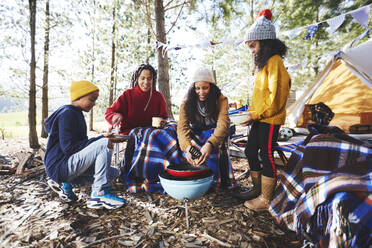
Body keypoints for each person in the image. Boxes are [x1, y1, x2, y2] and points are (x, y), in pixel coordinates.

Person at [238, 9, 291, 211]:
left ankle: (266, 200)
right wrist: (251, 114)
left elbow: (276, 98)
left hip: (270, 119)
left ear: (265, 42)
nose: (251, 50)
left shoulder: (275, 62)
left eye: (253, 46)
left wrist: (257, 114)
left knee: (266, 154)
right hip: (260, 118)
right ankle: (256, 188)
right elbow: (261, 96)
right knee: (250, 150)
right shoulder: (263, 65)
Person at [44, 80, 125, 209]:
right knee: (104, 143)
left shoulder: (76, 114)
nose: (94, 103)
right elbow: (70, 148)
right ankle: (99, 193)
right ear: (78, 96)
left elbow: (81, 146)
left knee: (112, 173)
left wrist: (102, 138)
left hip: (67, 165)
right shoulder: (67, 114)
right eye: (91, 99)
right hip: (60, 165)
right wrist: (101, 138)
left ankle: (66, 184)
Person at [177, 67, 236, 188]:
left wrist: (210, 144)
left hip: (215, 133)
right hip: (197, 131)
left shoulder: (221, 99)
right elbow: (182, 128)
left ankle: (214, 180)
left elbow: (223, 124)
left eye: (205, 88)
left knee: (216, 137)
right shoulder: (186, 103)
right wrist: (187, 148)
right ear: (193, 89)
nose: (201, 92)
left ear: (211, 87)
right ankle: (191, 176)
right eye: (197, 88)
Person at [105, 63, 168, 135]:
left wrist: (163, 122)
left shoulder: (158, 97)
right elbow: (108, 112)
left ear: (153, 80)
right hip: (129, 134)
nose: (146, 82)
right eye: (142, 78)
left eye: (149, 78)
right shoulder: (128, 94)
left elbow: (164, 118)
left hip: (151, 134)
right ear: (137, 79)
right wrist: (115, 116)